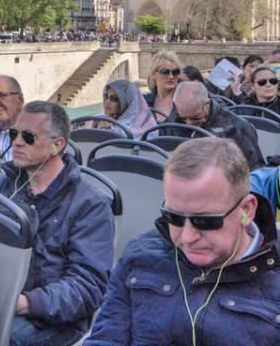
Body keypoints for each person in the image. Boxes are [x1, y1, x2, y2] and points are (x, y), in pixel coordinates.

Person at [85, 138, 279, 345]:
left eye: (205, 221)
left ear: (246, 210)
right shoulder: (140, 255)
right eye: (173, 218)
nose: (187, 237)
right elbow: (106, 338)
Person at [0, 101, 114, 346]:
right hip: (0, 300)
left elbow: (87, 287)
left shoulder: (90, 204)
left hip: (54, 320)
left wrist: (25, 303)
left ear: (57, 145)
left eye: (29, 136)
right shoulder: (2, 187)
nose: (17, 142)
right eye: (14, 133)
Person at [167, 81, 265, 170]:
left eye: (195, 117)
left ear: (207, 104)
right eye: (184, 118)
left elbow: (255, 170)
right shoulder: (175, 121)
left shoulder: (237, 127)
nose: (189, 123)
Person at [143, 50, 182, 121]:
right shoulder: (143, 101)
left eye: (175, 72)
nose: (171, 76)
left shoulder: (185, 102)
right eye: (165, 72)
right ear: (154, 74)